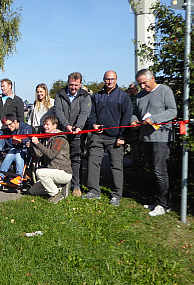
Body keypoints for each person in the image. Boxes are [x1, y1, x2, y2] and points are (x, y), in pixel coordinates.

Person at [131, 69, 177, 216]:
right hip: (145, 138)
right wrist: (133, 121)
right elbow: (134, 113)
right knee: (151, 170)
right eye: (140, 84)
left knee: (160, 171)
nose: (143, 86)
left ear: (152, 78)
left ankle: (164, 204)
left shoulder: (164, 90)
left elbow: (172, 112)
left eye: (144, 83)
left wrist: (155, 119)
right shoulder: (139, 96)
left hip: (161, 138)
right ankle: (156, 200)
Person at [83, 71, 132, 206]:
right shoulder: (97, 96)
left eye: (112, 79)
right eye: (107, 79)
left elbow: (126, 118)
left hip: (116, 137)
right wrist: (93, 124)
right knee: (93, 162)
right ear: (103, 80)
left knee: (116, 166)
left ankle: (116, 194)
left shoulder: (123, 97)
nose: (109, 82)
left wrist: (122, 136)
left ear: (116, 80)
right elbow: (91, 114)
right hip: (98, 136)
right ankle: (94, 191)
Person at [54, 72, 91, 197]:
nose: (73, 88)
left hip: (77, 133)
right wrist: (66, 125)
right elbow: (58, 111)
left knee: (76, 159)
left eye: (76, 85)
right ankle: (62, 184)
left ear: (80, 84)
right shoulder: (60, 95)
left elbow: (85, 113)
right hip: (63, 132)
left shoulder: (85, 96)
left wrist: (79, 126)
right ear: (67, 83)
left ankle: (76, 185)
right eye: (71, 85)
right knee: (61, 157)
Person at [29, 115, 72, 203]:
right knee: (32, 191)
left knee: (39, 172)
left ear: (55, 125)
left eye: (47, 124)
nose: (45, 126)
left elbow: (51, 155)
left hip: (64, 172)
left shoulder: (60, 138)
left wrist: (37, 143)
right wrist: (33, 145)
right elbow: (40, 154)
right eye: (44, 124)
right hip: (53, 171)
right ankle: (60, 189)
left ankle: (56, 194)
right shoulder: (48, 138)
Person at [0, 114, 32, 192]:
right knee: (11, 152)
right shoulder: (8, 130)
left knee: (17, 153)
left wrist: (20, 141)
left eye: (10, 124)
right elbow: (8, 140)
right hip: (14, 149)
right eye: (7, 125)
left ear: (15, 121)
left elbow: (28, 140)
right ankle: (0, 175)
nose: (9, 127)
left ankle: (19, 176)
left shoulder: (26, 128)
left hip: (25, 150)